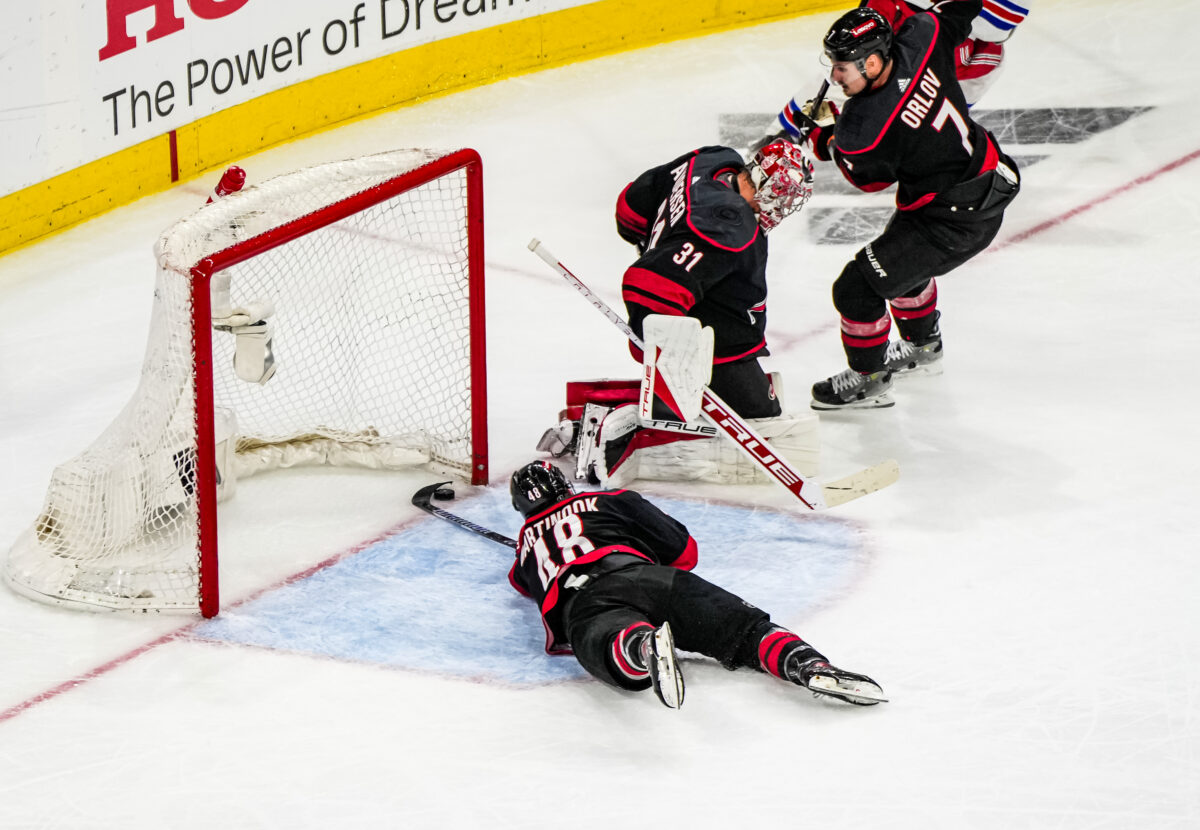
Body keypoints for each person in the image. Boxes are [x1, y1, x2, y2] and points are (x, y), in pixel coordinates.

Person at [764, 3, 1021, 409]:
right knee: (899, 266)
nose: (834, 76)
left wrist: (824, 135)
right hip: (977, 181)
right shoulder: (922, 35)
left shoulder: (863, 131)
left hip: (952, 219)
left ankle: (869, 380)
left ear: (871, 61)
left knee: (856, 289)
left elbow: (869, 179)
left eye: (842, 67)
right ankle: (924, 348)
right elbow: (960, 8)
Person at [538, 143, 823, 486]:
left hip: (697, 311)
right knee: (760, 418)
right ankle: (611, 437)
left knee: (747, 403)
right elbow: (648, 285)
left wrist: (659, 242)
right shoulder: (729, 224)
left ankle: (596, 418)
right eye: (779, 195)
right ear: (758, 177)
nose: (781, 208)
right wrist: (670, 354)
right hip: (709, 335)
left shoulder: (714, 160)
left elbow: (630, 207)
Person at [506, 459, 887, 709]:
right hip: (651, 577)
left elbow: (523, 585)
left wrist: (536, 543)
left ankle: (641, 647)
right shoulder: (612, 499)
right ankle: (807, 663)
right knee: (744, 629)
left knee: (609, 644)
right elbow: (684, 551)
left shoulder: (525, 548)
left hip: (587, 603)